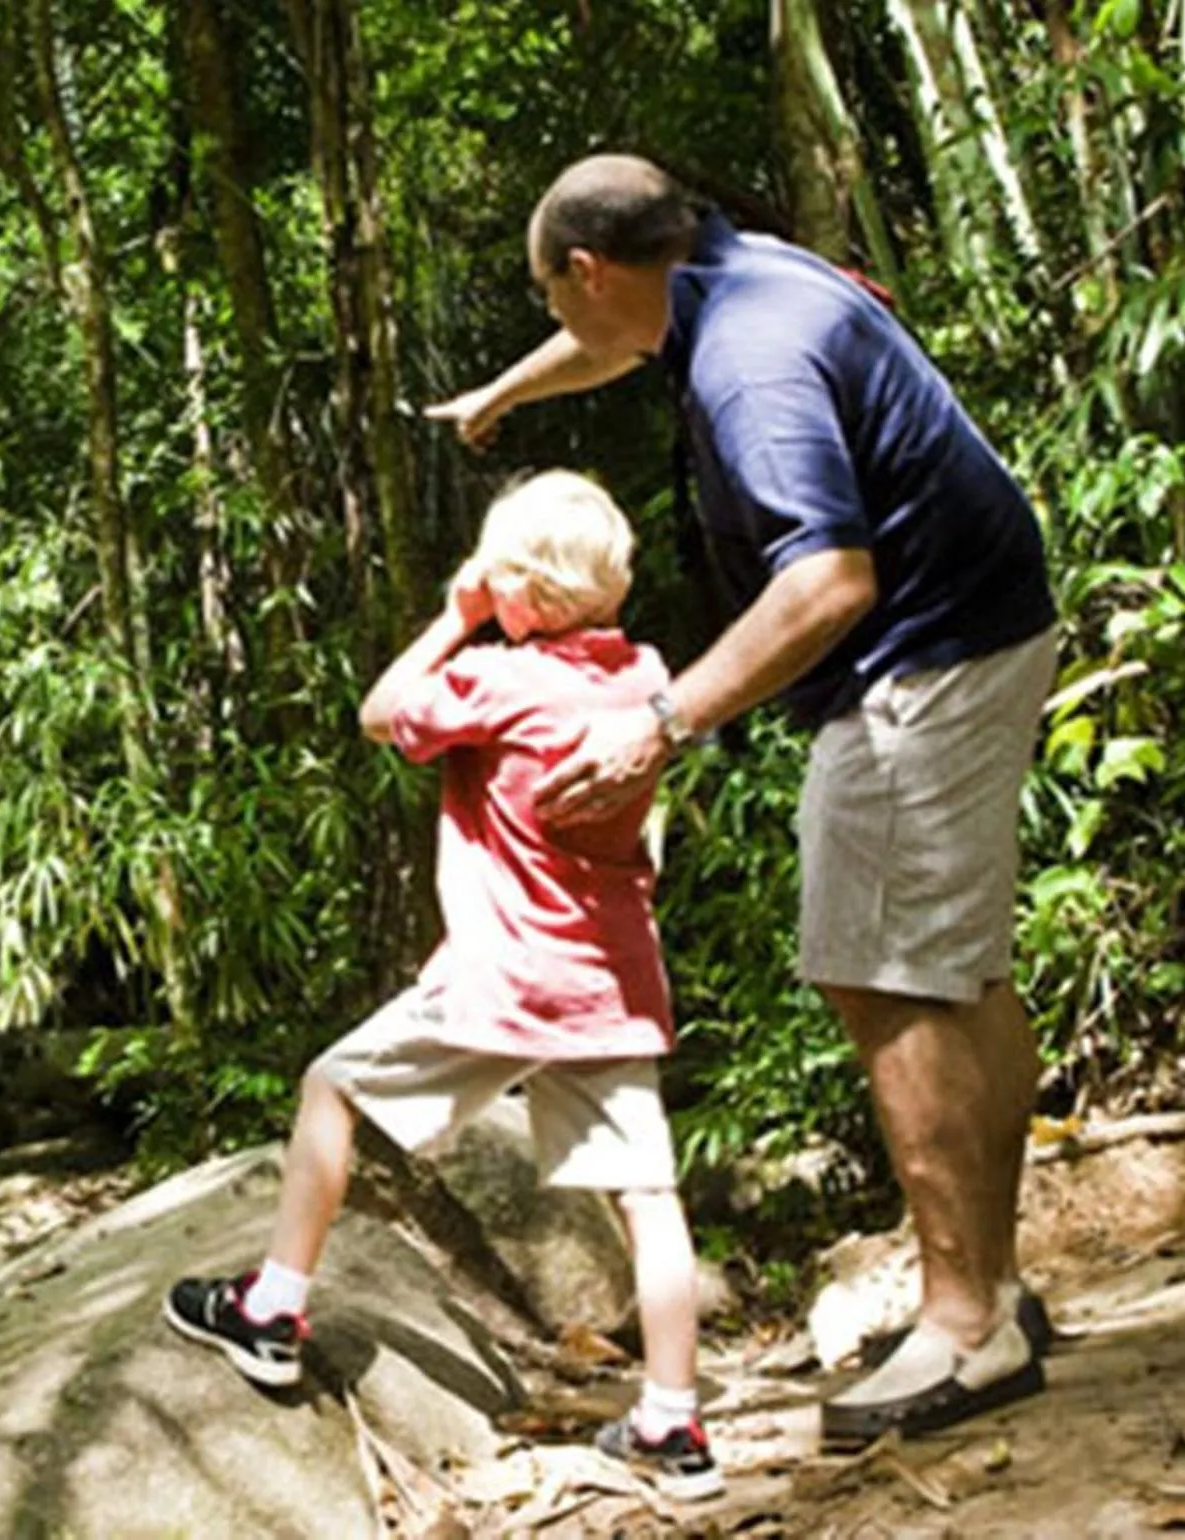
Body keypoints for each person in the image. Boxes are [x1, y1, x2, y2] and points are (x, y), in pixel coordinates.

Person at [425, 153, 1060, 1449]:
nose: (563, 328)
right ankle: (992, 1290)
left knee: (883, 977)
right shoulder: (728, 273)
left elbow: (827, 582)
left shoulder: (747, 361)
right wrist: (504, 391)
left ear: (587, 272)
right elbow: (601, 347)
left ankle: (962, 1326)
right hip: (987, 625)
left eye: (556, 301)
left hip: (914, 667)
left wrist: (661, 720)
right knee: (954, 972)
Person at [163, 471, 724, 1503]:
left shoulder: (500, 679)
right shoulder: (645, 674)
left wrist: (455, 616)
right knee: (649, 1196)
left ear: (515, 587)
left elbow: (381, 711)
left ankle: (273, 1308)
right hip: (607, 983)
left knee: (330, 1086)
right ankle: (673, 1423)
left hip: (505, 977)